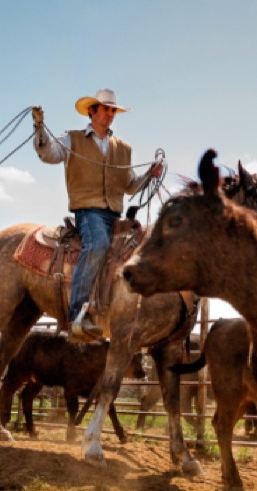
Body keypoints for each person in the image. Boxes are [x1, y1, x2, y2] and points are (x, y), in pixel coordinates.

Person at [31, 88, 162, 341]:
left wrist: (149, 175)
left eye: (113, 110)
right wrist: (39, 127)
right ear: (92, 111)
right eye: (105, 109)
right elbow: (49, 154)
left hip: (115, 215)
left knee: (142, 245)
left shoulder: (123, 149)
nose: (110, 114)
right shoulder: (72, 139)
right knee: (97, 244)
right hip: (88, 212)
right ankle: (78, 314)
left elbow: (130, 186)